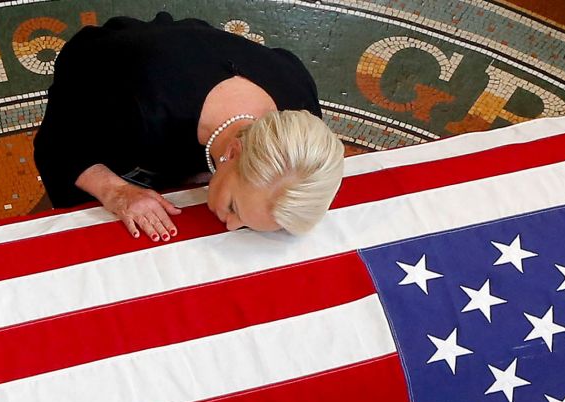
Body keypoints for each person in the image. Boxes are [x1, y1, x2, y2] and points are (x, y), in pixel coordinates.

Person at [32, 12, 345, 239]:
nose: (232, 226)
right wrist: (115, 191)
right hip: (102, 78)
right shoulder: (140, 106)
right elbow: (57, 146)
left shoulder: (300, 110)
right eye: (234, 208)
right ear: (233, 152)